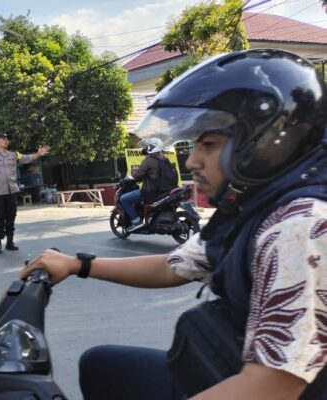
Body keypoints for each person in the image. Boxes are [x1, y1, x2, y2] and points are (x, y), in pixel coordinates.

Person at [21, 49, 327, 399]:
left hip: (258, 385)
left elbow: (272, 388)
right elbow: (173, 266)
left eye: (209, 145)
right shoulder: (254, 205)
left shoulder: (299, 226)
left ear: (265, 145)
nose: (193, 161)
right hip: (221, 366)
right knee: (100, 365)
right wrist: (78, 264)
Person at [120, 137, 178, 230]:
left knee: (124, 199)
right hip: (165, 191)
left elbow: (137, 176)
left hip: (150, 192)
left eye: (148, 146)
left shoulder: (149, 160)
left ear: (151, 147)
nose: (146, 148)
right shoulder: (165, 159)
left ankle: (136, 221)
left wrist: (130, 177)